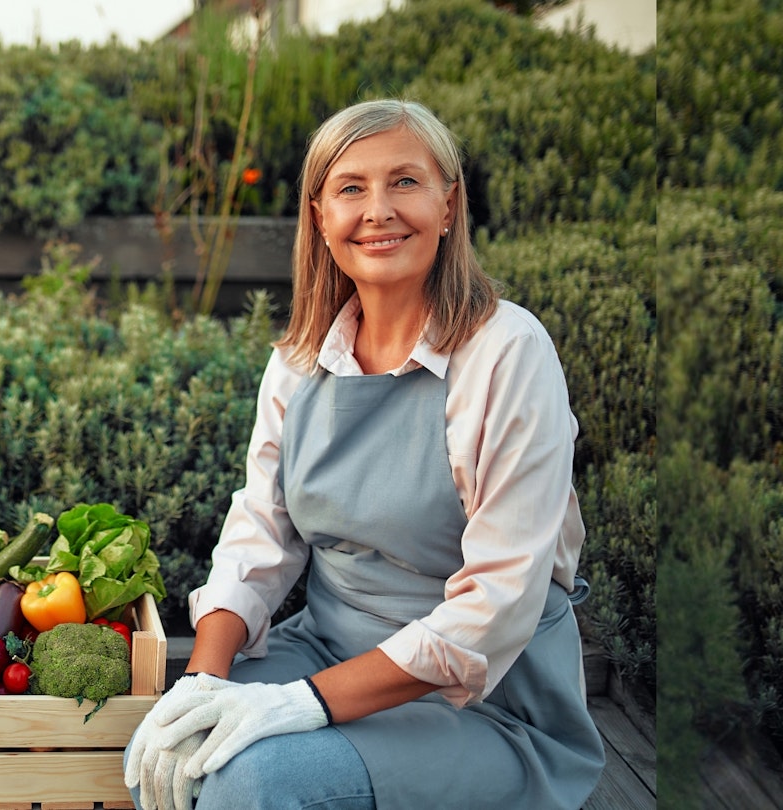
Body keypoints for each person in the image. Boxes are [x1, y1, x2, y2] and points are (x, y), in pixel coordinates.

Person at [123, 99, 606, 810]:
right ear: (321, 216)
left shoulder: (508, 352)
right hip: (323, 651)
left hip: (484, 705)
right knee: (165, 745)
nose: (378, 210)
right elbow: (259, 532)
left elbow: (497, 604)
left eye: (405, 182)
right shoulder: (299, 360)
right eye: (351, 188)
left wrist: (301, 706)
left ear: (449, 204)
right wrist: (205, 678)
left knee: (252, 781)